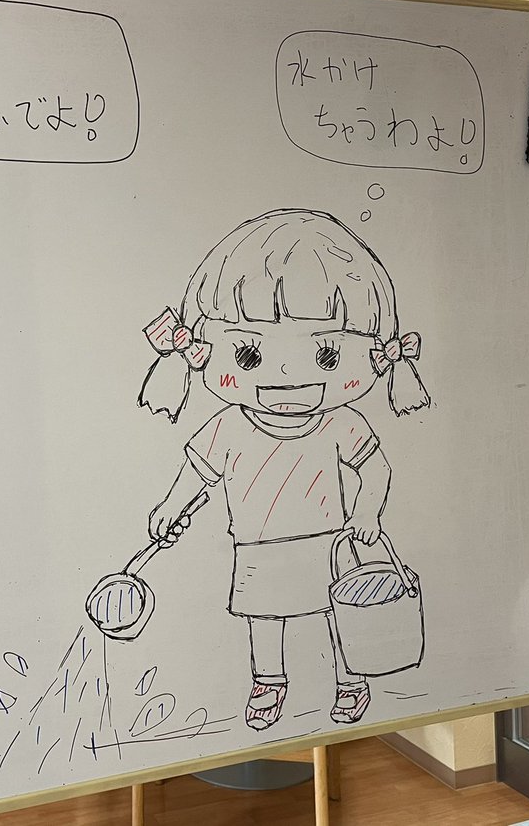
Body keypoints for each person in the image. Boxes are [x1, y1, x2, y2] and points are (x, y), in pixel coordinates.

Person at [139, 208, 429, 730]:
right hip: (257, 544)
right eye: (249, 355)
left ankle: (350, 680)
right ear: (201, 351)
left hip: (332, 542)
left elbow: (376, 469)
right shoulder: (228, 427)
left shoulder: (341, 423)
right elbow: (198, 474)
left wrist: (367, 513)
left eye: (326, 356)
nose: (289, 376)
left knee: (342, 616)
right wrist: (169, 507)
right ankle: (269, 682)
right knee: (264, 617)